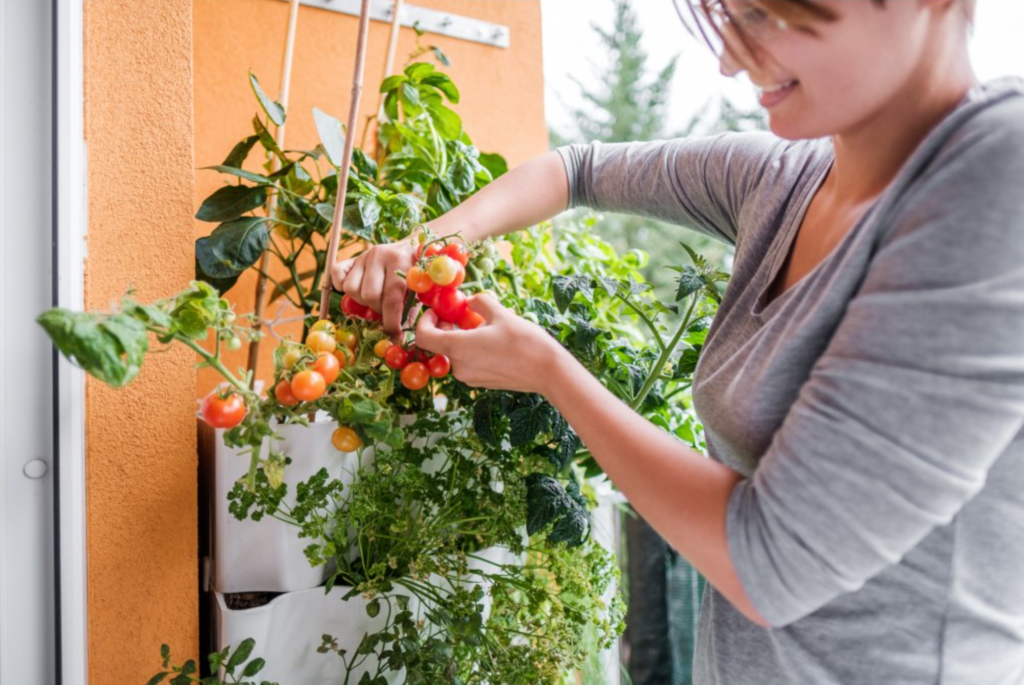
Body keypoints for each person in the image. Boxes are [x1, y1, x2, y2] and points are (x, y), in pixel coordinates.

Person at [332, 1, 1024, 682]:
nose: (729, 59)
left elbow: (769, 565)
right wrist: (427, 248)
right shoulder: (784, 180)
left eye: (766, 13)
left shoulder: (999, 177)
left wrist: (548, 370)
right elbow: (576, 170)